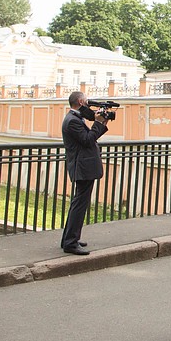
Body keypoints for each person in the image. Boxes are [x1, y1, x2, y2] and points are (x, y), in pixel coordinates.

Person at [60, 91, 109, 256]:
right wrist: (99, 123)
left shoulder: (73, 118)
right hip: (83, 168)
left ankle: (69, 238)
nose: (88, 105)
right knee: (79, 205)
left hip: (82, 167)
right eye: (87, 102)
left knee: (77, 204)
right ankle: (70, 243)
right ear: (81, 101)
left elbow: (88, 138)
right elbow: (88, 140)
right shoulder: (73, 121)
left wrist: (100, 123)